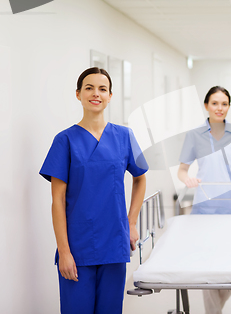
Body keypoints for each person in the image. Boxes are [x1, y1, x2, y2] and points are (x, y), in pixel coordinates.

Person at [40, 67, 148, 314]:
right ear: (78, 94)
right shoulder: (64, 140)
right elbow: (57, 200)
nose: (95, 93)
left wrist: (131, 223)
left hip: (114, 244)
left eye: (102, 89)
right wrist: (64, 252)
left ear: (110, 96)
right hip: (77, 247)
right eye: (89, 88)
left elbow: (140, 179)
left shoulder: (125, 136)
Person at [177, 86, 231, 314]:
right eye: (215, 103)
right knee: (209, 265)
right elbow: (182, 170)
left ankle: (214, 310)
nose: (220, 108)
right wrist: (187, 179)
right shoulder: (194, 135)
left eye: (224, 104)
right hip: (205, 210)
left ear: (229, 106)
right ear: (206, 105)